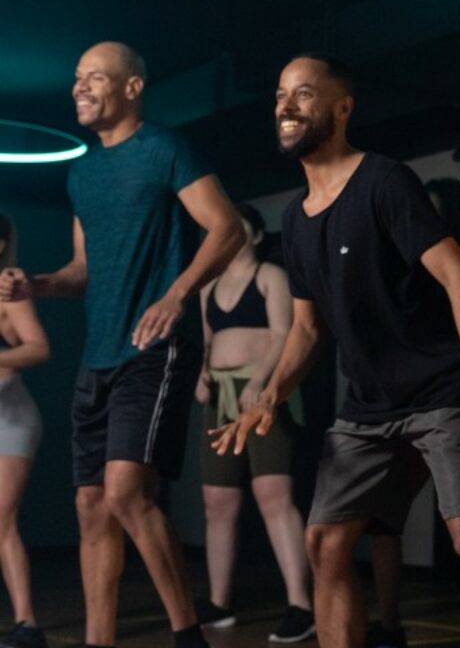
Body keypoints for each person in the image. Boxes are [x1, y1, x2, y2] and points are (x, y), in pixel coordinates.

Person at [212, 54, 460, 648]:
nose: (286, 106)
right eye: (279, 95)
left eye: (303, 93)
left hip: (440, 392)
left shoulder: (384, 182)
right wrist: (270, 394)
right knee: (325, 542)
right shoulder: (294, 219)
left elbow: (458, 276)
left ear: (342, 108)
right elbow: (307, 328)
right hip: (367, 408)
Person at [0, 41, 244, 648]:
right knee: (90, 504)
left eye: (94, 78)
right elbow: (82, 270)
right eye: (76, 78)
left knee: (126, 492)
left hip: (154, 349)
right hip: (98, 355)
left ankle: (188, 634)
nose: (79, 88)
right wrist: (36, 284)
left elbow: (227, 228)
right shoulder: (82, 172)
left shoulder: (165, 149)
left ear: (132, 87)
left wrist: (176, 295)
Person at [365, 177, 460, 648]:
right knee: (382, 520)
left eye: (429, 211)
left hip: (458, 407)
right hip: (405, 410)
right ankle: (388, 626)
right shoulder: (406, 277)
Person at [193, 203, 314, 643]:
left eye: (237, 228)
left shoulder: (270, 276)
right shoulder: (208, 286)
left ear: (256, 235)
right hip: (220, 396)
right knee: (217, 500)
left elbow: (284, 333)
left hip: (261, 393)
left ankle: (301, 603)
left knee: (272, 494)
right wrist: (202, 375)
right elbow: (207, 341)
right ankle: (219, 602)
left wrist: (261, 382)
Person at [0, 216, 51, 648]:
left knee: (1, 519)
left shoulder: (7, 290)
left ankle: (27, 625)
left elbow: (39, 347)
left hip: (11, 419)